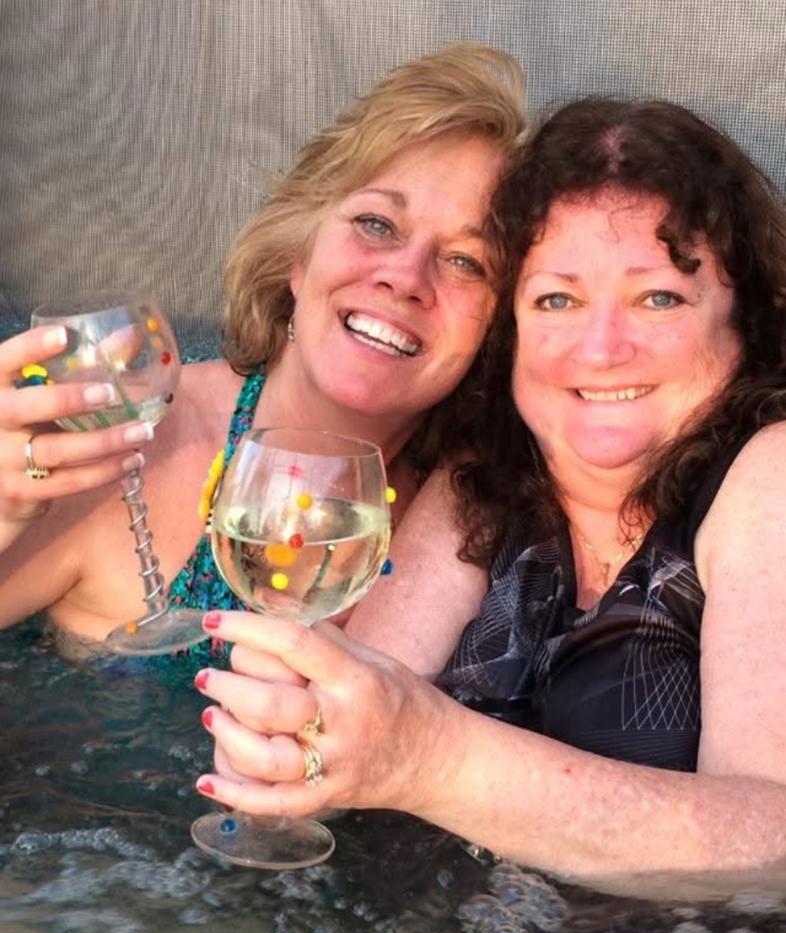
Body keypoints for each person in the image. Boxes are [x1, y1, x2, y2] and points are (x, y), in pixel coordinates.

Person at [192, 97, 786, 875]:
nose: (601, 348)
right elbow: (347, 723)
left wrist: (432, 759)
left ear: (745, 323)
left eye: (659, 298)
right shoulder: (481, 481)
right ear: (511, 333)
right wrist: (285, 753)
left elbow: (773, 844)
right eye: (557, 300)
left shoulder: (769, 474)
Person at [0, 45, 525, 653]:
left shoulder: (483, 512)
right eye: (377, 225)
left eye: (466, 262)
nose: (405, 277)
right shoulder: (123, 451)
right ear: (298, 255)